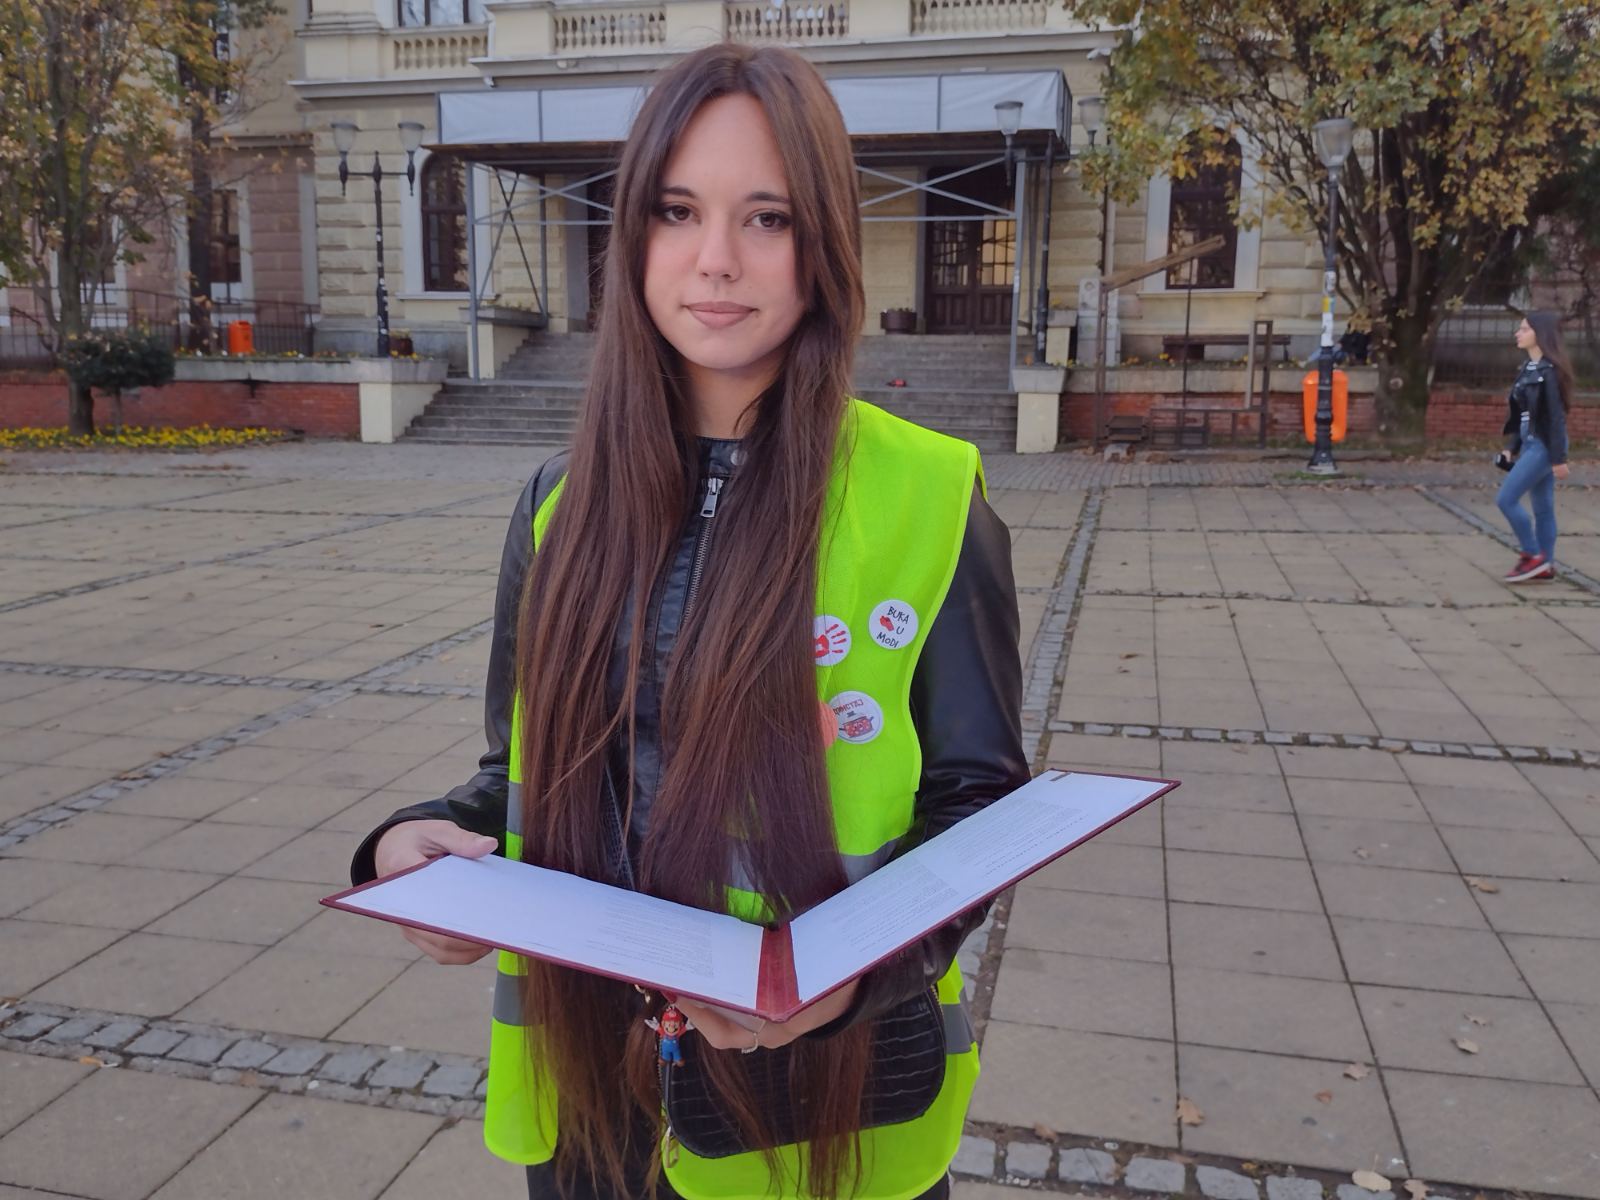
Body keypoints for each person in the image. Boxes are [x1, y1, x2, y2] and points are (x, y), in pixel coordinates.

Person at [348, 41, 1027, 1200]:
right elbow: (516, 769)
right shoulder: (559, 504)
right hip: (588, 1102)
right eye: (677, 211)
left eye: (766, 218)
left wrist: (853, 975)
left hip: (813, 1100)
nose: (715, 261)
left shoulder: (929, 492)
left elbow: (982, 806)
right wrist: (416, 843)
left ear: (824, 245)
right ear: (633, 236)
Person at [1496, 312, 1574, 582]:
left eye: (1524, 329)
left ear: (1539, 334)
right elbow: (1520, 416)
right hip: (1531, 443)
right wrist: (1511, 448)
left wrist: (1558, 458)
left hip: (1545, 445)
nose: (1518, 333)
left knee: (1506, 499)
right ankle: (1546, 565)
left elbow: (1554, 417)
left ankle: (1532, 555)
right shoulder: (1527, 369)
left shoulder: (1550, 372)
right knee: (1542, 507)